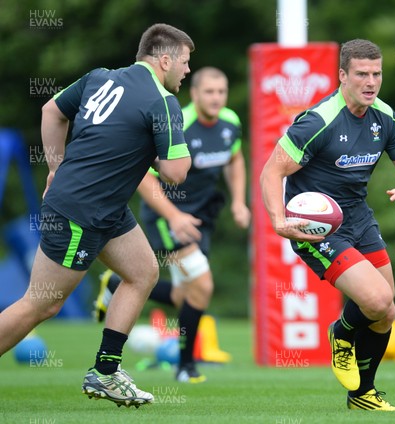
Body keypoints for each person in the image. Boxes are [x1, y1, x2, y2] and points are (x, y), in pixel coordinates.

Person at [0, 23, 195, 408]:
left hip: (102, 206)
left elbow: (51, 111)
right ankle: (104, 372)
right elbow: (176, 172)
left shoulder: (100, 77)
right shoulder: (163, 102)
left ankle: (105, 372)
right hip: (81, 213)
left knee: (142, 272)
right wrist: (162, 148)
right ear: (166, 59)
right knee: (41, 304)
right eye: (186, 62)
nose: (188, 71)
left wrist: (55, 168)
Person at [260, 39, 395, 411]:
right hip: (315, 226)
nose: (371, 82)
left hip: (359, 218)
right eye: (362, 74)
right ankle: (342, 332)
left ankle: (362, 394)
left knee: (386, 313)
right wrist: (278, 221)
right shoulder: (319, 121)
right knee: (377, 300)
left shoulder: (383, 116)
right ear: (342, 76)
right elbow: (272, 170)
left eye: (377, 74)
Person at [94, 67, 251, 383]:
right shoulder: (179, 124)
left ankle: (114, 284)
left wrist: (238, 201)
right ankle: (186, 366)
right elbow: (142, 175)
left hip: (201, 216)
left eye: (221, 92)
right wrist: (173, 215)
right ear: (194, 94)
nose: (216, 98)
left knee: (188, 294)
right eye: (209, 92)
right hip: (167, 214)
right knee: (203, 285)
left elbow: (234, 159)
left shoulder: (230, 123)